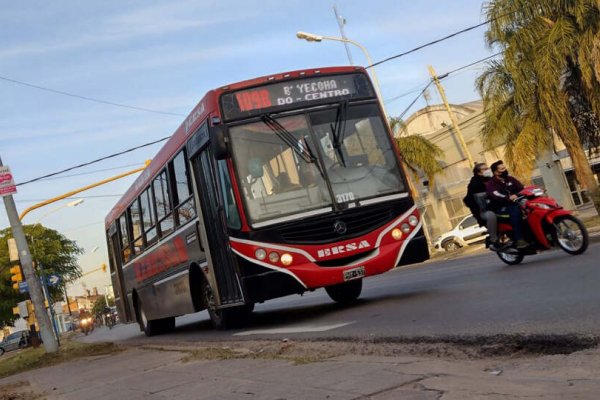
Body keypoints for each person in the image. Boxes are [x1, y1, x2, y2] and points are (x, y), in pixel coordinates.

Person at [486, 160, 528, 249]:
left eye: (504, 168)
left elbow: (522, 188)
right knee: (516, 211)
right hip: (501, 207)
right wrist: (508, 198)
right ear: (495, 172)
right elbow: (496, 194)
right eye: (501, 169)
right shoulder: (491, 183)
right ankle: (520, 239)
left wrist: (528, 190)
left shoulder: (510, 179)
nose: (504, 170)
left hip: (516, 202)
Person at [463, 162, 500, 251]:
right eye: (485, 169)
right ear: (479, 172)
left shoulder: (493, 179)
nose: (488, 170)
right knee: (491, 215)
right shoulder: (474, 184)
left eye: (488, 168)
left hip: (499, 205)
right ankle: (494, 239)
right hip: (484, 210)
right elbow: (470, 200)